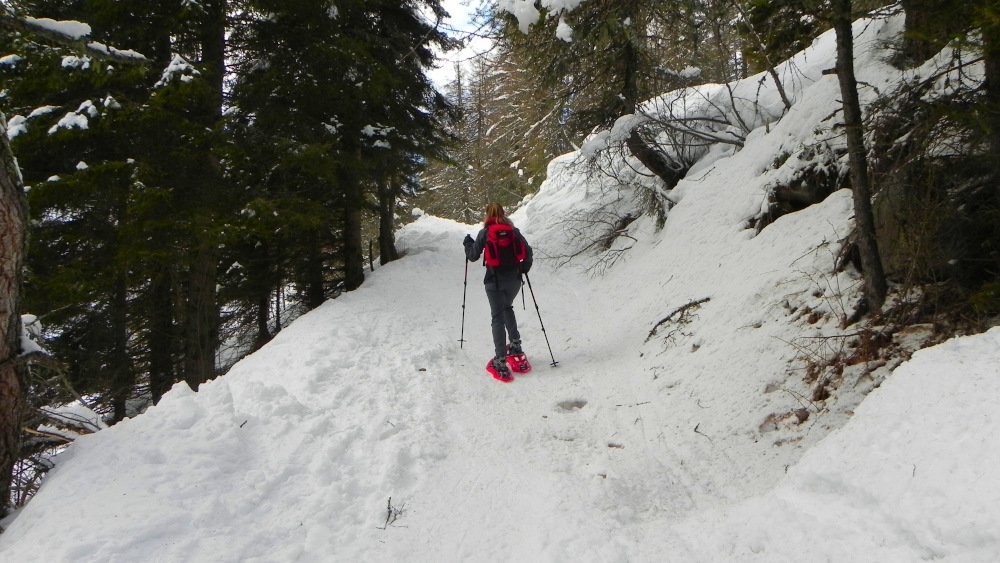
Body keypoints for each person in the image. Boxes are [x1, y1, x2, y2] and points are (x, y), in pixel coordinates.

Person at [464, 203, 533, 380]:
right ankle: (516, 345)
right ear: (504, 213)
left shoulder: (485, 233)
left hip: (494, 282)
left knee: (497, 317)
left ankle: (500, 359)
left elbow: (472, 256)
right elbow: (529, 251)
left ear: (487, 215)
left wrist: (467, 244)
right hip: (514, 281)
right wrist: (523, 269)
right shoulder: (513, 231)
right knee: (507, 307)